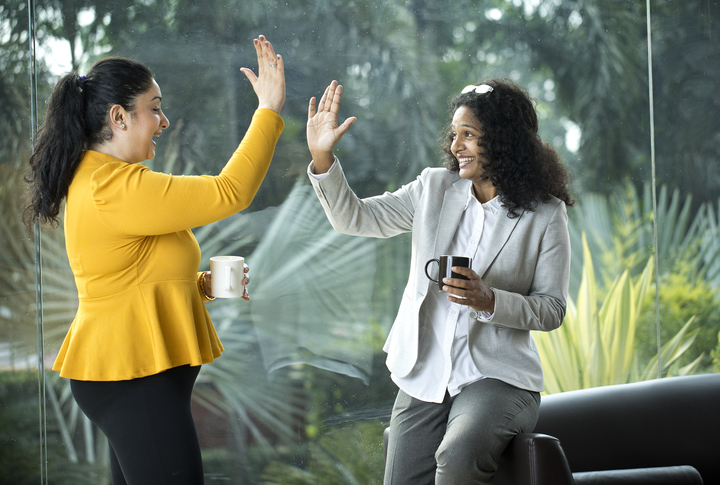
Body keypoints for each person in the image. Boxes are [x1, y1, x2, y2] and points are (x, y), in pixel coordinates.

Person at [24, 35, 285, 484]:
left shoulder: (107, 182)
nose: (164, 121)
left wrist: (202, 285)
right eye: (155, 107)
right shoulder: (114, 188)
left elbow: (131, 273)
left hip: (133, 378)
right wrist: (269, 109)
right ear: (118, 117)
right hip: (134, 382)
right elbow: (231, 191)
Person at [306, 79, 573, 484]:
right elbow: (355, 218)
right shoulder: (434, 187)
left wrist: (489, 300)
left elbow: (552, 309)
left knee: (457, 456)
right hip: (426, 368)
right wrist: (322, 156)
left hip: (497, 376)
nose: (455, 146)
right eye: (454, 134)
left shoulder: (545, 213)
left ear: (502, 140)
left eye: (469, 135)